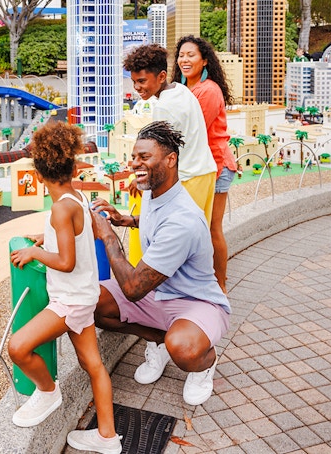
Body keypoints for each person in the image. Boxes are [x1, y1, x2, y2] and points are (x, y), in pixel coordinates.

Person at [91, 121, 231, 406]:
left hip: (196, 302)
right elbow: (156, 221)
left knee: (184, 349)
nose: (134, 163)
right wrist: (127, 220)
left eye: (144, 157)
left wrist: (107, 234)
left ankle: (204, 363)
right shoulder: (154, 191)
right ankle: (160, 341)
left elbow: (132, 288)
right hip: (160, 296)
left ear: (170, 159)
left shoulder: (183, 221)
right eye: (134, 156)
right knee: (93, 303)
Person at [9, 120, 121, 453]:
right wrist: (50, 237)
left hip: (70, 301)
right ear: (72, 166)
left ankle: (47, 391)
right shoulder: (75, 198)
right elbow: (75, 234)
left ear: (39, 175)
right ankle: (107, 437)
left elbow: (66, 261)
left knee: (18, 347)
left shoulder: (59, 208)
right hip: (85, 297)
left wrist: (34, 251)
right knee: (94, 366)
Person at [124, 44, 217, 225]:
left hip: (188, 179)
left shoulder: (163, 107)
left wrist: (142, 178)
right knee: (200, 235)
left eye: (142, 81)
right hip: (205, 173)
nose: (136, 87)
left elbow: (161, 155)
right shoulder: (181, 90)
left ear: (161, 76)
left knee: (180, 239)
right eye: (134, 81)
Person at [174, 35, 238, 293]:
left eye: (191, 55)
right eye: (181, 55)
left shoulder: (208, 90)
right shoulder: (184, 90)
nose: (184, 60)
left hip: (216, 166)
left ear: (204, 60)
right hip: (199, 168)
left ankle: (220, 285)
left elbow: (188, 132)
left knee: (212, 229)